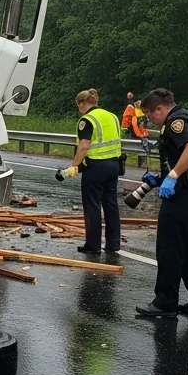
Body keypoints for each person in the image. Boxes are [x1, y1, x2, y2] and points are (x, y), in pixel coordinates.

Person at [135, 88, 188, 318]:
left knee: (169, 247)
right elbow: (185, 159)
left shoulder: (176, 121)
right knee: (186, 248)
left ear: (160, 108)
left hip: (185, 194)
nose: (149, 119)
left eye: (150, 114)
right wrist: (161, 178)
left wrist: (172, 177)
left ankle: (165, 302)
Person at [62, 88, 122, 255]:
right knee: (111, 204)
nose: (79, 109)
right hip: (114, 165)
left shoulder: (87, 120)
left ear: (82, 103)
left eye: (78, 106)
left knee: (92, 206)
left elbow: (84, 145)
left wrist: (74, 165)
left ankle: (93, 245)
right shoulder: (112, 116)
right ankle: (113, 243)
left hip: (96, 167)